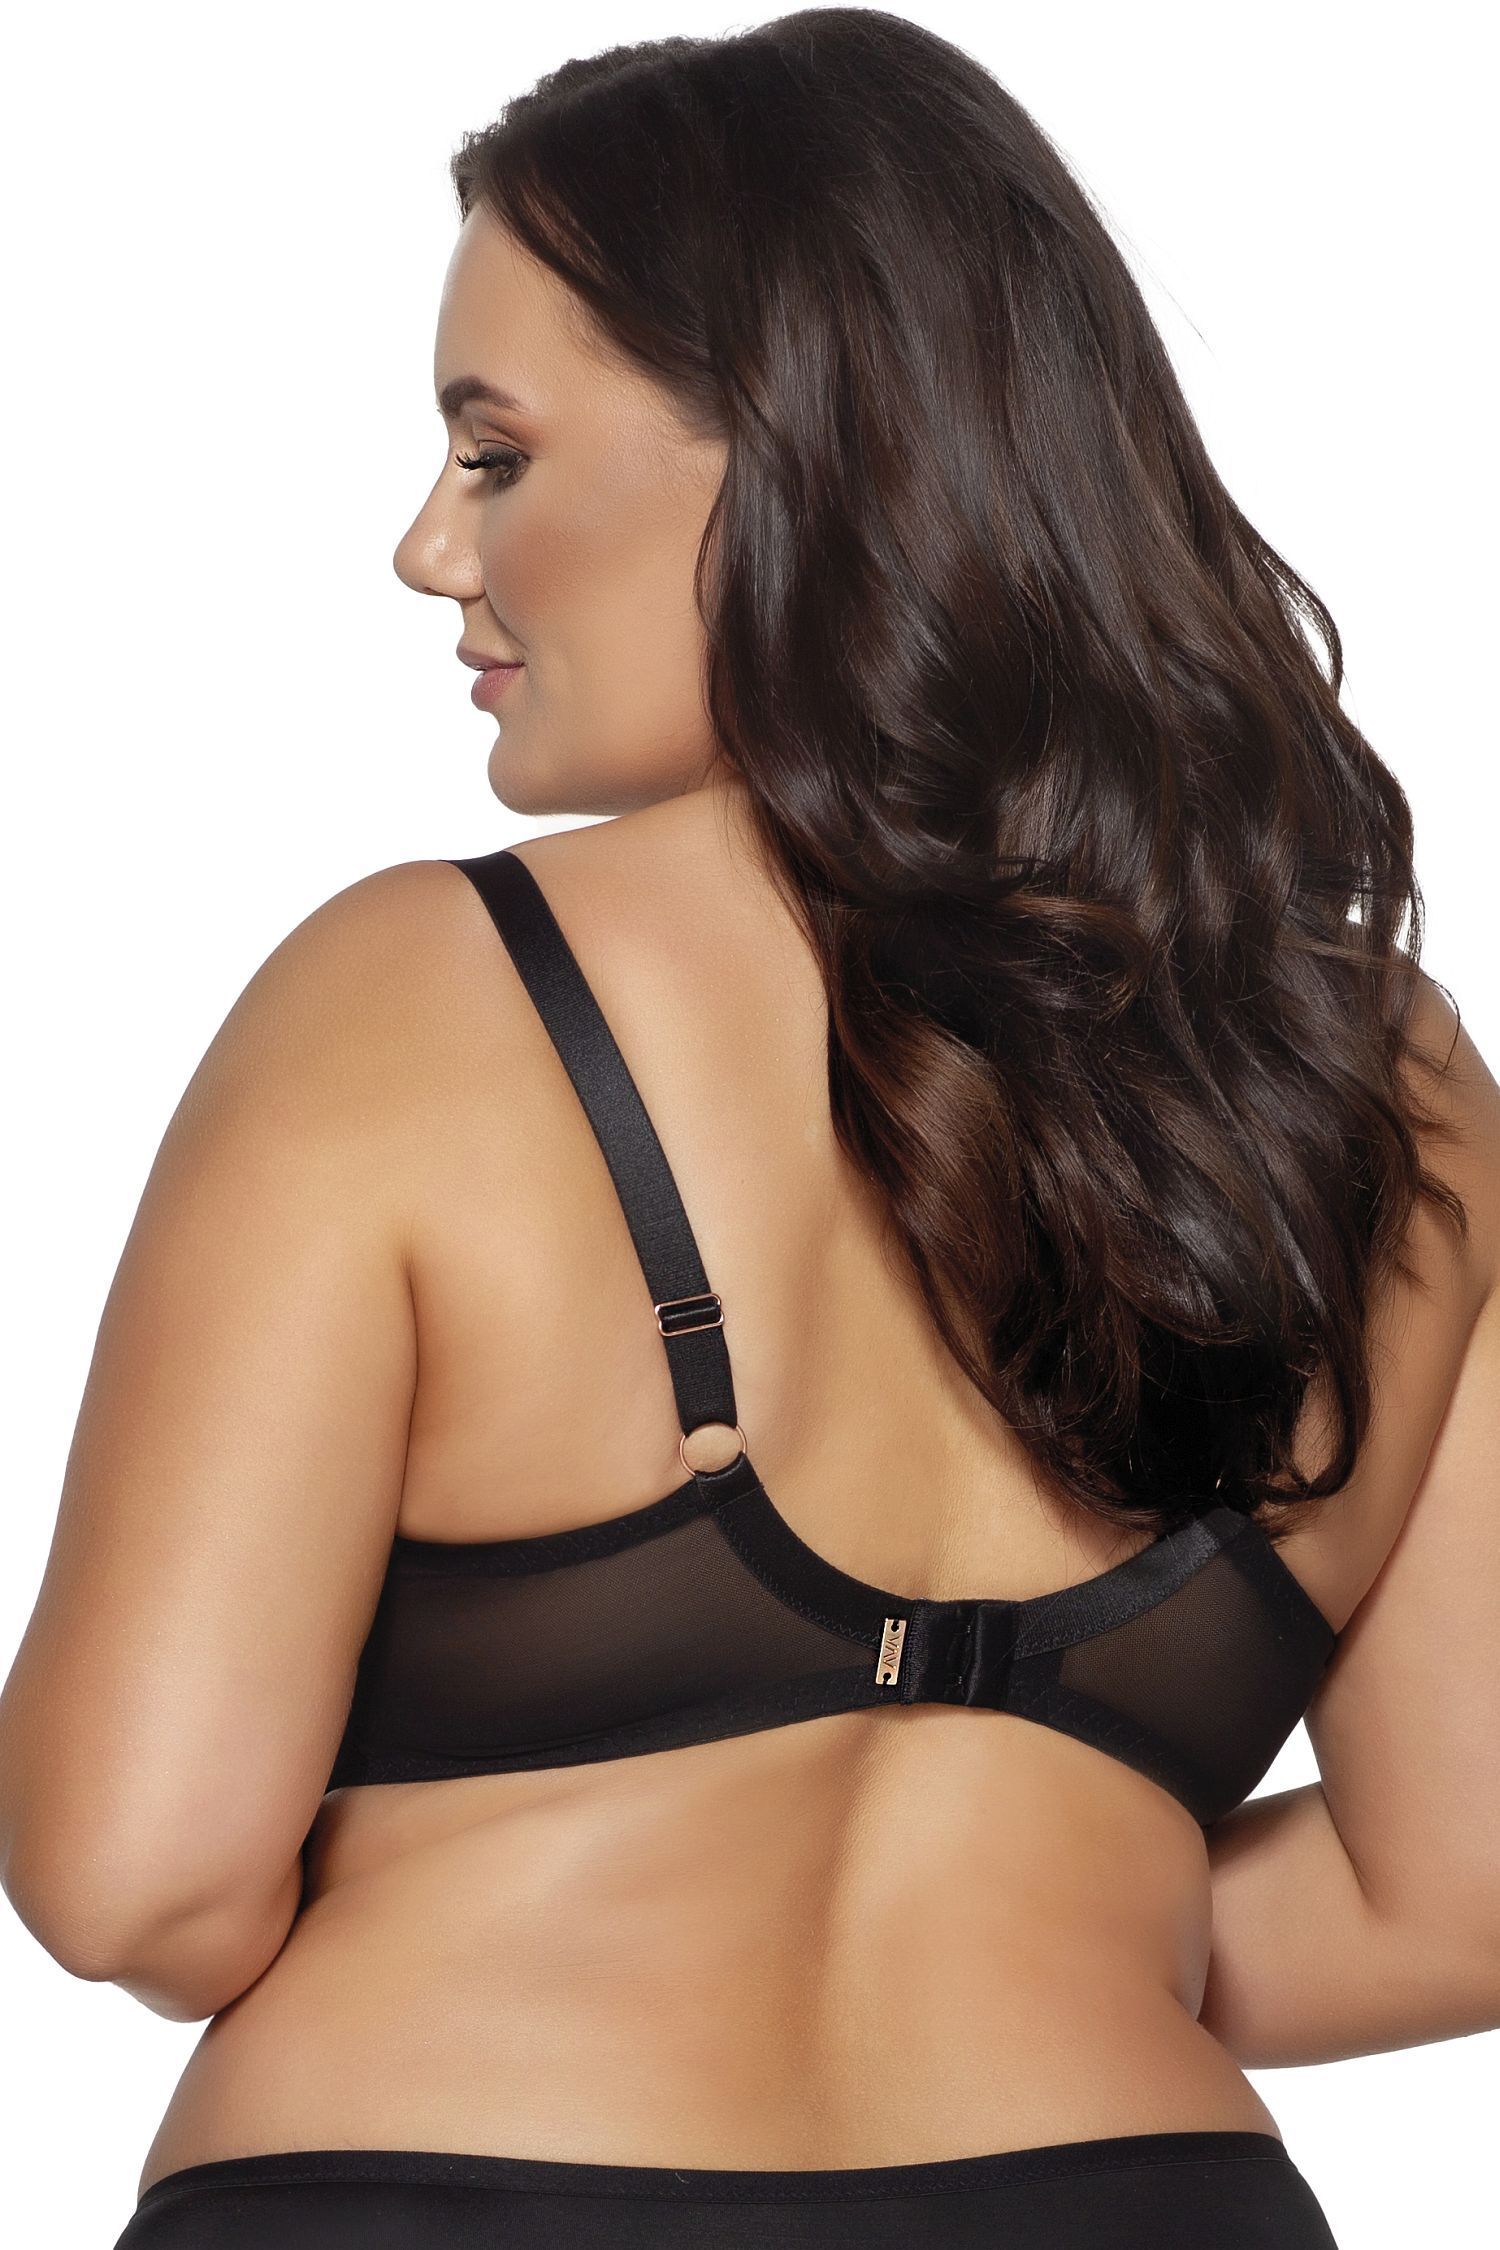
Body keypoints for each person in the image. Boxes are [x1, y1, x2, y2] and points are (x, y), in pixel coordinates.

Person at [1, 11, 1496, 2247]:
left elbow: (137, 1877)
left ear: (792, 458)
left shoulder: (415, 998)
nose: (428, 546)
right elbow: (1458, 1895)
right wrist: (1056, 1926)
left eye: (494, 451)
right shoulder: (1380, 1077)